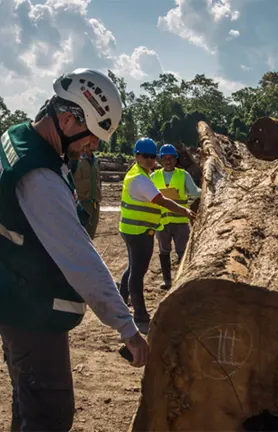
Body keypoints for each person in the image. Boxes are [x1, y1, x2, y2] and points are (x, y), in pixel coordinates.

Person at [0, 68, 150, 431]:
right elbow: (79, 258)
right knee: (49, 416)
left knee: (29, 404)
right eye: (93, 137)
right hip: (31, 314)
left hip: (15, 297)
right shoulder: (40, 179)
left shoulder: (18, 138)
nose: (94, 147)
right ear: (67, 119)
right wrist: (127, 327)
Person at [119, 138, 195, 333]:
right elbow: (161, 200)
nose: (150, 160)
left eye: (152, 157)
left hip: (133, 228)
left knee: (132, 268)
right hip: (138, 231)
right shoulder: (141, 179)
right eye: (145, 156)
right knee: (138, 272)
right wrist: (184, 211)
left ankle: (121, 301)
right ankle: (140, 316)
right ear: (136, 156)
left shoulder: (140, 173)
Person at [150, 144, 201, 289]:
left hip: (180, 221)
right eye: (165, 158)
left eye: (171, 158)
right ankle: (167, 280)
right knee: (164, 251)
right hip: (162, 221)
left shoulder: (182, 175)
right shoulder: (154, 177)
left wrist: (207, 188)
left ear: (175, 159)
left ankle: (182, 279)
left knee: (183, 251)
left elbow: (194, 192)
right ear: (160, 159)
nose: (168, 161)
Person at [70, 144, 102, 239]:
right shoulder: (75, 159)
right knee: (79, 236)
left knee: (90, 236)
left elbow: (98, 181)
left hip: (94, 204)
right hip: (81, 204)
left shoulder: (96, 161)